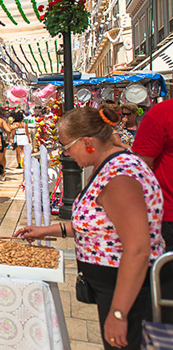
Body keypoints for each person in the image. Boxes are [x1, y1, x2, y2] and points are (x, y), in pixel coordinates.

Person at [16, 105, 164, 349]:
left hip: (128, 292)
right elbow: (102, 226)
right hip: (113, 287)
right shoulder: (108, 166)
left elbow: (138, 249)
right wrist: (48, 230)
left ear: (87, 142)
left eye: (67, 146)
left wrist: (119, 313)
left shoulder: (120, 176)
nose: (67, 154)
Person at [132, 98, 173, 323]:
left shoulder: (161, 113)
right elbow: (140, 167)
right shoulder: (162, 115)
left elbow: (139, 168)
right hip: (167, 219)